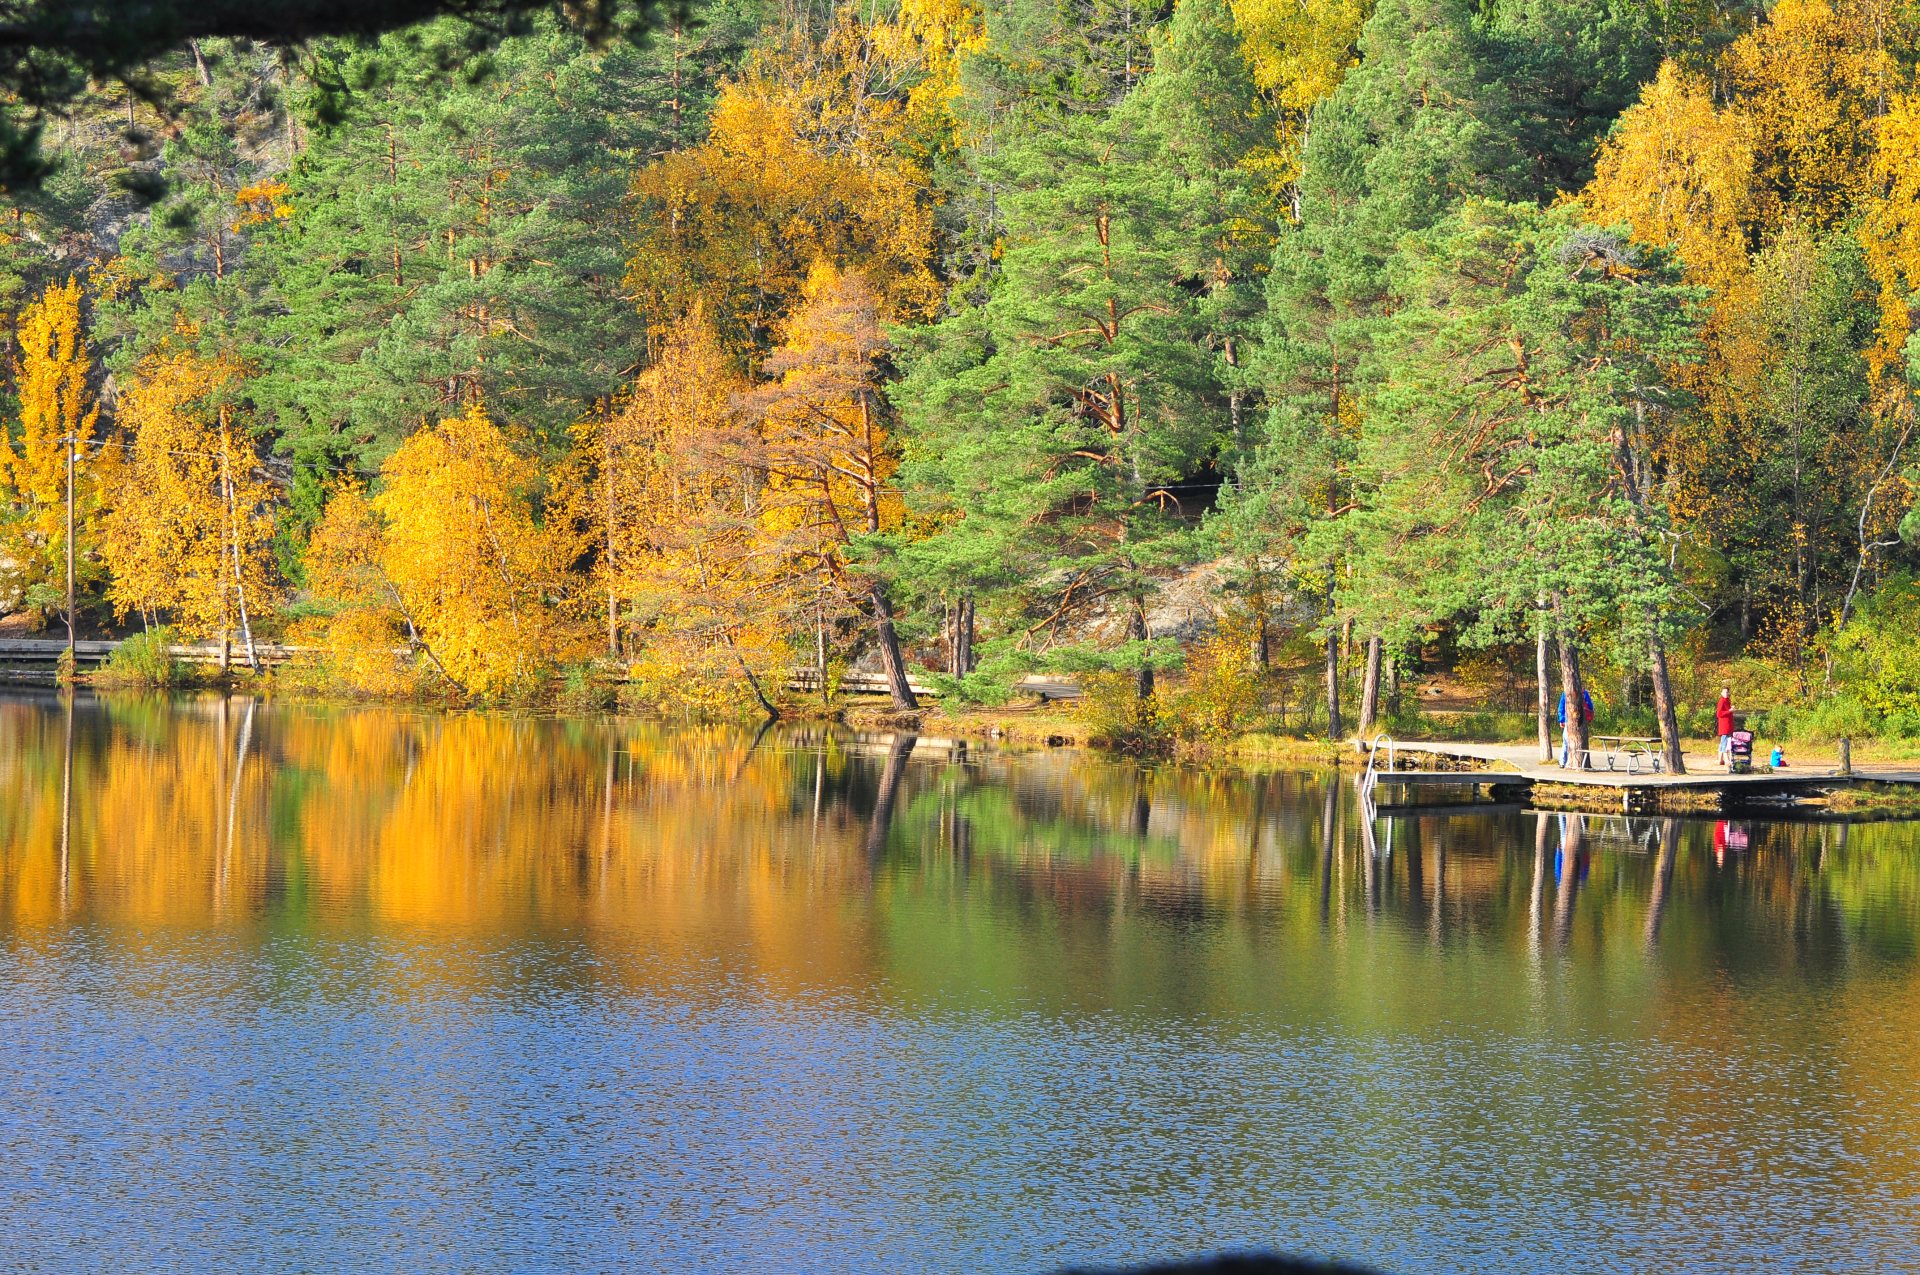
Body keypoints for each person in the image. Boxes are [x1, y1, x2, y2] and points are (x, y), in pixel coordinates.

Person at [1557, 687, 1595, 767]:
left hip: (1569, 721)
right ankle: (1566, 761)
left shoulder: (1566, 693)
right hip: (1581, 721)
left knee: (1566, 741)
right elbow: (1590, 706)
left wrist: (1562, 720)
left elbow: (1561, 707)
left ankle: (1563, 762)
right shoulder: (1584, 693)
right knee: (1575, 741)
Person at [1716, 687, 1736, 769]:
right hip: (1724, 725)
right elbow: (1719, 714)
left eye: (1727, 692)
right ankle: (1726, 759)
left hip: (1728, 725)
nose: (1726, 694)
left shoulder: (1728, 700)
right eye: (1724, 692)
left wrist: (1731, 709)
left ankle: (1720, 760)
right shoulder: (1722, 701)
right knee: (1725, 742)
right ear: (1721, 693)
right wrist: (1730, 711)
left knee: (1723, 742)